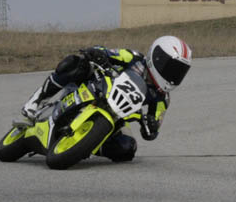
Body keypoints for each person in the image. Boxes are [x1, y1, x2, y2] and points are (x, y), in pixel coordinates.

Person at [20, 35, 192, 162]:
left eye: (179, 71)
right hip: (94, 86)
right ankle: (37, 100)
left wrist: (151, 126)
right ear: (157, 57)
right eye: (172, 68)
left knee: (127, 148)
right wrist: (98, 53)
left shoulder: (162, 99)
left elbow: (152, 131)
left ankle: (87, 145)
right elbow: (107, 52)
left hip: (116, 117)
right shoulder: (134, 58)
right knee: (75, 63)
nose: (174, 75)